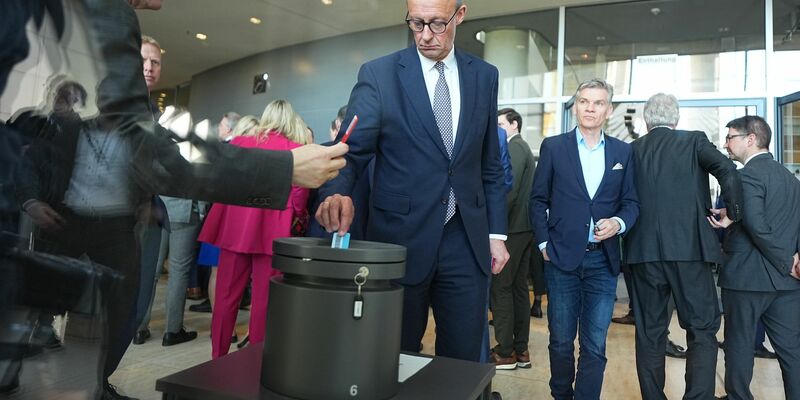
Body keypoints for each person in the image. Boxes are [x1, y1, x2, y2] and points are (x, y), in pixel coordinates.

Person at [315, 0, 510, 362]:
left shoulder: (484, 76)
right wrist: (337, 192)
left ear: (460, 15)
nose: (424, 35)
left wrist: (496, 235)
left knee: (463, 363)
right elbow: (351, 151)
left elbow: (489, 165)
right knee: (391, 356)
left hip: (465, 240)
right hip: (399, 240)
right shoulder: (379, 74)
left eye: (436, 24)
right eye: (416, 23)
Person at [623, 93, 743, 399]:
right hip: (690, 250)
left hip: (642, 253)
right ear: (675, 120)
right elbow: (727, 169)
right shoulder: (694, 141)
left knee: (650, 332)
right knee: (702, 328)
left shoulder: (630, 150)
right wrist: (732, 212)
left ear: (646, 121)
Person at [529, 78, 638, 399]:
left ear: (609, 110)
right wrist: (544, 245)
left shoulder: (623, 152)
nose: (590, 108)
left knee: (594, 344)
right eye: (584, 101)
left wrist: (618, 222)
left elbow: (632, 203)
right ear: (575, 106)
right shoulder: (554, 146)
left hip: (602, 262)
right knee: (561, 340)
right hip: (561, 259)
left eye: (598, 103)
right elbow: (537, 201)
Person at [198, 100, 311, 359]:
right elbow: (298, 200)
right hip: (273, 232)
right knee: (264, 301)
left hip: (234, 230)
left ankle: (218, 356)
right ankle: (254, 361)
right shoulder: (294, 151)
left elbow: (218, 181)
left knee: (225, 298)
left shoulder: (239, 144)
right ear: (290, 120)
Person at [709, 115, 800, 400]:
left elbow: (758, 226)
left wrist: (786, 261)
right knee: (791, 351)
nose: (726, 144)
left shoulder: (745, 175)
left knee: (739, 347)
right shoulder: (789, 177)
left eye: (730, 137)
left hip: (747, 280)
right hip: (787, 283)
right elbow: (770, 219)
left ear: (750, 139)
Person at [490, 107, 535, 369]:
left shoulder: (515, 147)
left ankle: (505, 351)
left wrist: (495, 228)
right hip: (522, 228)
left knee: (502, 288)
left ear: (514, 125)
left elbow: (508, 191)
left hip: (511, 229)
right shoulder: (521, 147)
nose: (496, 129)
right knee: (518, 289)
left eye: (500, 123)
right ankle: (521, 350)